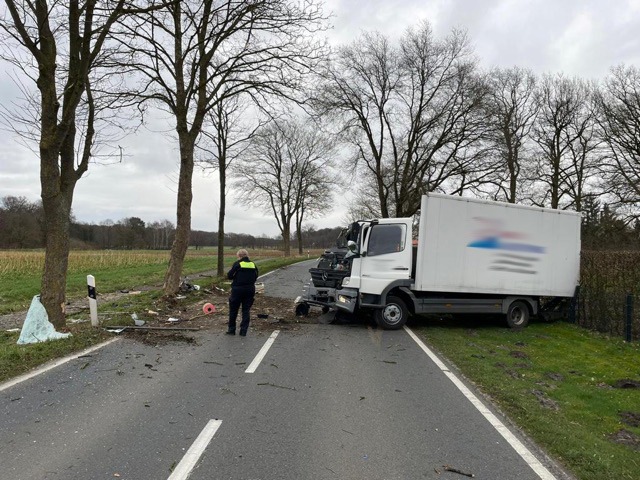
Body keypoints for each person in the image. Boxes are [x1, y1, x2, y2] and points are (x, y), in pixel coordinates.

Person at [226, 249, 259, 336]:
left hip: (237, 289)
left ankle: (231, 329)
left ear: (239, 256)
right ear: (247, 255)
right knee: (246, 310)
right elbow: (256, 276)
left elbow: (229, 275)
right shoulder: (253, 264)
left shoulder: (238, 264)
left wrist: (236, 278)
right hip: (250, 289)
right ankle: (243, 331)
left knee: (233, 310)